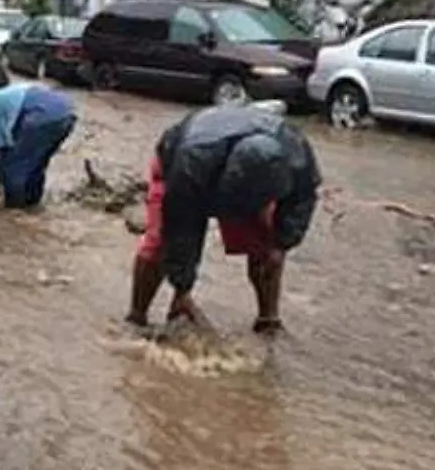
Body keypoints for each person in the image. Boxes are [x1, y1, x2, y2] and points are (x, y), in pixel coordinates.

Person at [126, 103, 321, 335]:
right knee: (159, 243)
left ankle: (269, 321)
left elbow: (302, 200)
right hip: (182, 163)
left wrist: (282, 242)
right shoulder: (190, 164)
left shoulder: (297, 155)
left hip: (238, 166)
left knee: (268, 248)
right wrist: (182, 287)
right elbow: (180, 229)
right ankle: (136, 319)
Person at [0, 83, 78, 209]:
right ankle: (32, 206)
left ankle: (14, 213)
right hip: (67, 112)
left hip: (42, 116)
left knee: (13, 168)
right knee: (36, 166)